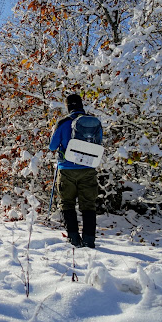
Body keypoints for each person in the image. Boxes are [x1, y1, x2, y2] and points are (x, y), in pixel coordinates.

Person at [49, 94, 101, 248]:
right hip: (88, 168)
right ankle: (89, 240)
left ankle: (73, 238)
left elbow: (52, 146)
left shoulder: (63, 123)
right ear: (81, 105)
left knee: (67, 204)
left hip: (67, 170)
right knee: (88, 205)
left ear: (67, 106)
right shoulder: (93, 122)